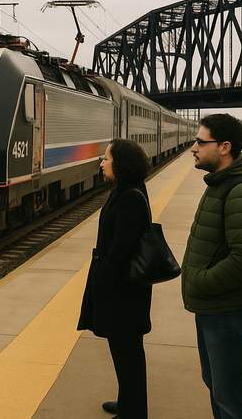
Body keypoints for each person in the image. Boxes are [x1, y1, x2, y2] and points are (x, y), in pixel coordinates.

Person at [181, 113, 242, 419]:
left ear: (224, 147)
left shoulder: (241, 190)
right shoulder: (222, 183)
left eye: (200, 142)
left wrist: (201, 281)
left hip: (229, 312)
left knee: (230, 398)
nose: (193, 148)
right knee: (220, 390)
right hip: (216, 309)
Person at [78, 138, 153, 419]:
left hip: (124, 291)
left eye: (106, 159)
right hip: (125, 289)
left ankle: (134, 412)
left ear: (120, 164)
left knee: (128, 353)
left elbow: (121, 249)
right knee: (125, 351)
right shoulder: (126, 191)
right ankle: (128, 402)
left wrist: (102, 283)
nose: (102, 163)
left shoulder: (130, 197)